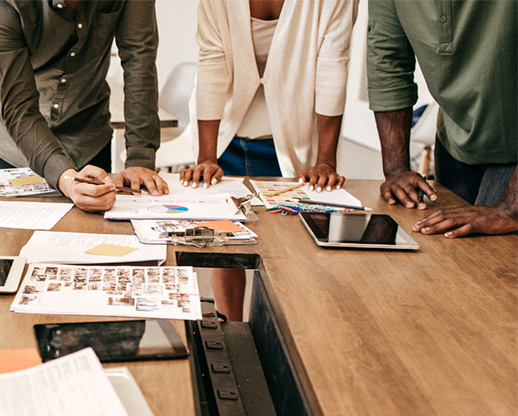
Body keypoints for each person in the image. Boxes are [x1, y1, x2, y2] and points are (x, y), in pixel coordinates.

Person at [179, 0, 357, 320]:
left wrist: (325, 161)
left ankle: (271, 339)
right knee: (225, 243)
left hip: (293, 143)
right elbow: (211, 65)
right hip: (224, 136)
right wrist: (206, 156)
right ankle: (231, 331)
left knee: (287, 251)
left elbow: (332, 66)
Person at [0, 0, 168, 212]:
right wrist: (65, 177)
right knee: (14, 239)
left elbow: (139, 63)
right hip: (13, 144)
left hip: (86, 134)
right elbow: (19, 107)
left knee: (94, 236)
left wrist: (139, 158)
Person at [367, 0, 517, 238]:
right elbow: (388, 58)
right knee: (446, 259)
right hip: (454, 143)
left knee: (493, 267)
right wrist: (396, 169)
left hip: (513, 148)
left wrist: (511, 208)